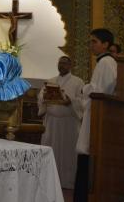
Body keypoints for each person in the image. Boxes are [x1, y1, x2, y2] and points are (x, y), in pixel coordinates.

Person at [73, 28, 118, 202]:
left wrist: (85, 89)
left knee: (88, 162)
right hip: (94, 114)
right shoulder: (104, 62)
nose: (90, 45)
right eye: (90, 41)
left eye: (94, 42)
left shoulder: (106, 63)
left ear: (106, 44)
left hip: (97, 116)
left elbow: (100, 91)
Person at [37, 55, 84, 189]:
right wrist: (44, 98)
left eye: (64, 63)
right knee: (50, 149)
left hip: (68, 123)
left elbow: (82, 101)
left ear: (70, 66)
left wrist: (71, 101)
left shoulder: (78, 82)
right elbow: (40, 97)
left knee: (68, 153)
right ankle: (49, 180)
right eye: (60, 63)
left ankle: (68, 181)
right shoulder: (51, 81)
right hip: (51, 122)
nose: (61, 65)